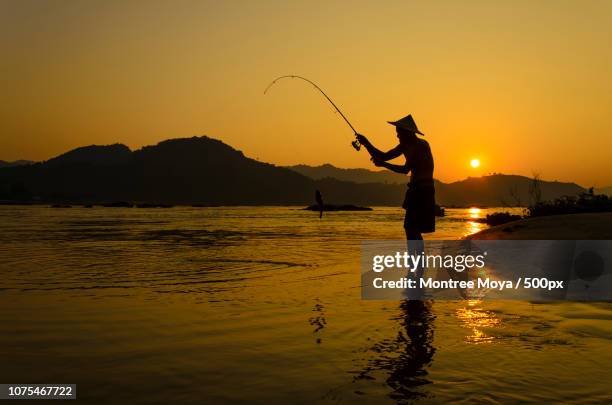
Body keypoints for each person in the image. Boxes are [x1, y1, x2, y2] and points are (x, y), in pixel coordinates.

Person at [355, 114, 435, 240]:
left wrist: (383, 164)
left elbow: (404, 169)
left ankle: (417, 259)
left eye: (399, 133)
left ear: (407, 133)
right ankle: (416, 258)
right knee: (410, 227)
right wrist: (366, 143)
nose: (397, 136)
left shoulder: (421, 146)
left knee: (411, 227)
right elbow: (383, 156)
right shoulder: (405, 146)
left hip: (423, 191)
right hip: (415, 190)